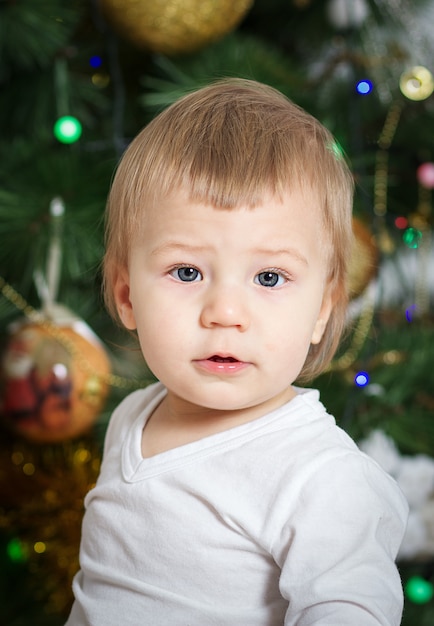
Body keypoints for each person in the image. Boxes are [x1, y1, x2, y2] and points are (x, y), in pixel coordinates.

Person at [66, 78, 408, 626]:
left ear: (322, 308)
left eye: (269, 277)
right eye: (187, 271)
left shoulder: (321, 476)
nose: (225, 311)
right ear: (127, 296)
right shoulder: (132, 417)